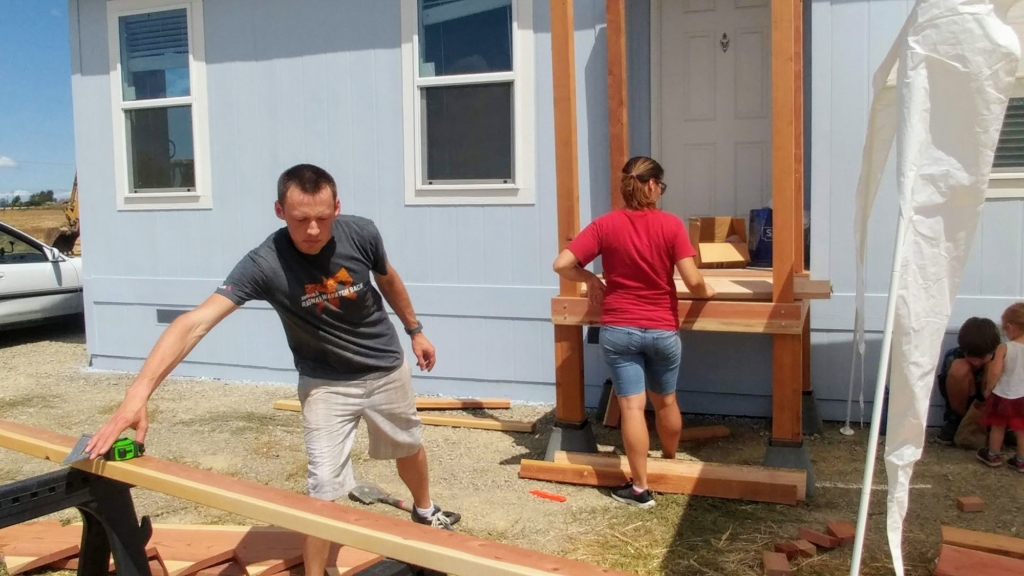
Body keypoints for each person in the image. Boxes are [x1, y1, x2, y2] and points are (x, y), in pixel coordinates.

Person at [84, 164, 460, 575]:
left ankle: (424, 510)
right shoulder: (265, 263)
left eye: (323, 217)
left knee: (407, 445)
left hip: (385, 366)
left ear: (337, 207)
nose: (314, 230)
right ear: (280, 211)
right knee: (323, 489)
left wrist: (415, 330)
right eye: (301, 219)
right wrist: (136, 396)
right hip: (325, 383)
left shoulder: (363, 233)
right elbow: (194, 323)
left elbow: (388, 280)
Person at [551, 156, 715, 508]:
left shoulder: (605, 225)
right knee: (666, 400)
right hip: (662, 328)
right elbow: (693, 280)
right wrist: (706, 293)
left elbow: (562, 264)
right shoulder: (671, 225)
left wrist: (592, 278)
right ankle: (669, 461)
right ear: (653, 186)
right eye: (662, 185)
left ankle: (640, 489)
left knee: (632, 408)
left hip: (620, 328)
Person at [934, 317, 1001, 446]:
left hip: (992, 408)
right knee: (959, 367)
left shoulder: (1001, 356)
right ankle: (958, 420)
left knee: (994, 367)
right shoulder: (954, 356)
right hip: (963, 407)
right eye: (970, 355)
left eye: (981, 357)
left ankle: (999, 425)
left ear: (993, 350)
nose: (976, 361)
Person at [976, 302, 1024, 472]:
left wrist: (989, 389)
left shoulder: (1005, 347)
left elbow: (995, 372)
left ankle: (993, 455)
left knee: (998, 425)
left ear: (1010, 327)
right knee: (1022, 428)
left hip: (1004, 394)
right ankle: (1021, 460)